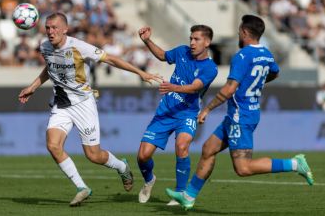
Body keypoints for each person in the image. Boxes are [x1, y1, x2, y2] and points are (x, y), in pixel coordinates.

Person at [166, 15, 314, 210]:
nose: (238, 34)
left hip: (240, 117)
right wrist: (257, 84)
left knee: (243, 168)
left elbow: (228, 89)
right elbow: (275, 72)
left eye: (239, 31)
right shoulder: (266, 54)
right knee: (209, 149)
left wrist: (207, 109)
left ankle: (295, 164)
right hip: (244, 113)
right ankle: (189, 196)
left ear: (245, 33)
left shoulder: (242, 56)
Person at [18, 12, 161, 207]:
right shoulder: (45, 46)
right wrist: (32, 87)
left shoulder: (79, 47)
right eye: (48, 28)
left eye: (55, 28)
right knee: (53, 145)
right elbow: (50, 69)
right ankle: (81, 187)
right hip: (61, 105)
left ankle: (121, 166)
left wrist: (141, 73)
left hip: (83, 104)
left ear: (65, 29)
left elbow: (111, 59)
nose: (51, 32)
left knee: (93, 155)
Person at [136, 25, 218, 205]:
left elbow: (196, 86)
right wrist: (147, 40)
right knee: (143, 156)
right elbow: (163, 55)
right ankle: (149, 179)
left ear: (207, 42)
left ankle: (180, 193)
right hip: (166, 111)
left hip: (188, 113)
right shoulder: (182, 51)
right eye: (191, 38)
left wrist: (173, 87)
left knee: (182, 146)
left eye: (196, 39)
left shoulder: (210, 68)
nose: (192, 42)